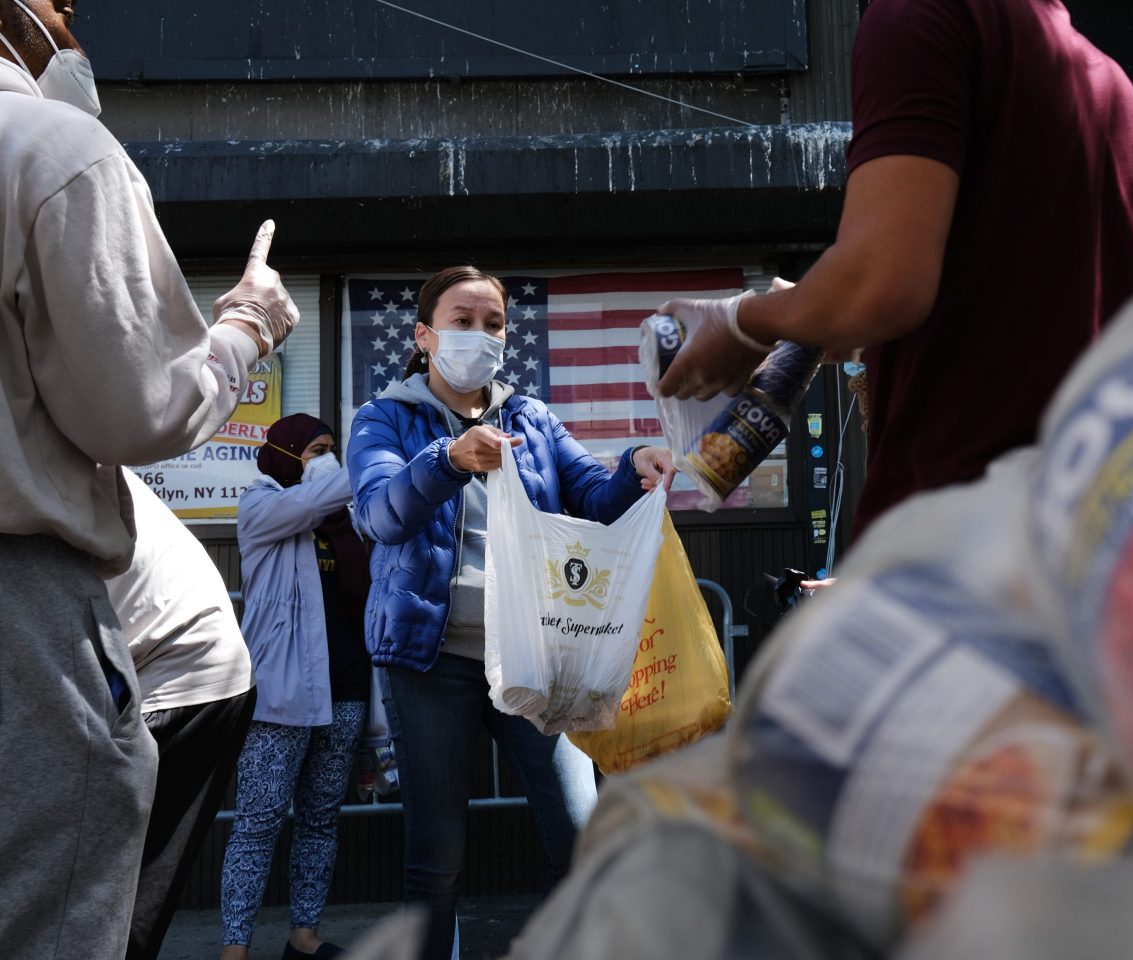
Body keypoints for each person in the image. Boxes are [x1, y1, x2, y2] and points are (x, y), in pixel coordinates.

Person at [0, 0, 299, 954]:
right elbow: (140, 411)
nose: (72, 22)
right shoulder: (50, 148)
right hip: (34, 620)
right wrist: (245, 327)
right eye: (59, 4)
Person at [656, 0, 1133, 541]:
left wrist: (741, 324)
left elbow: (883, 284)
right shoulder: (1116, 96)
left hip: (966, 540)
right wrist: (821, 318)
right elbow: (1017, 317)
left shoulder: (922, 17)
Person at [348, 266, 676, 960]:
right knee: (436, 859)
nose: (480, 335)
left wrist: (634, 467)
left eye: (493, 323)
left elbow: (592, 494)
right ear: (424, 335)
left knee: (581, 837)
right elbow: (379, 515)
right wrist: (447, 460)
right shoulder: (384, 418)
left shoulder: (530, 416)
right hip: (429, 660)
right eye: (462, 321)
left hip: (532, 652)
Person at [220, 415, 372, 960]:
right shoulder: (261, 506)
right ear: (285, 454)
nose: (326, 459)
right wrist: (368, 459)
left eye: (332, 449)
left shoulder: (347, 520)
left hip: (347, 686)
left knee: (320, 819)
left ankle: (303, 936)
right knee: (258, 821)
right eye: (315, 450)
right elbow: (311, 501)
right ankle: (234, 947)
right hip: (280, 694)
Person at [104, 469, 260, 960]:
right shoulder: (73, 454)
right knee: (128, 890)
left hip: (175, 672)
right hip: (202, 665)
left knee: (104, 885)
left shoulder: (41, 468)